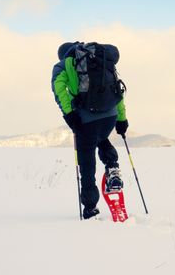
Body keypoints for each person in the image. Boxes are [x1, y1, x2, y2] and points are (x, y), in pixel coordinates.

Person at [51, 42, 129, 219]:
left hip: (86, 120)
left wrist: (69, 115)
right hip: (109, 117)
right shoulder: (100, 60)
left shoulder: (63, 65)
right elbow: (116, 90)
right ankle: (112, 168)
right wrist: (121, 120)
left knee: (87, 164)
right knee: (101, 138)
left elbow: (58, 88)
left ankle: (91, 208)